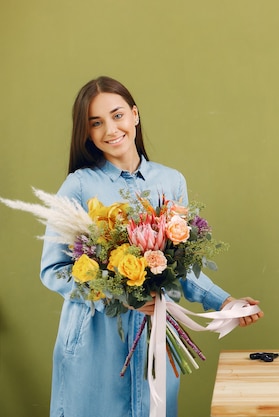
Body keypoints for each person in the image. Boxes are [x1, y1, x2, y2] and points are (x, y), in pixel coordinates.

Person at [40, 76, 263, 417]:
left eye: (117, 116)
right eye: (96, 123)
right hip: (95, 345)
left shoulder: (170, 181)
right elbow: (54, 270)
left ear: (134, 115)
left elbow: (181, 264)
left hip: (154, 338)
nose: (110, 130)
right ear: (86, 132)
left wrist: (225, 302)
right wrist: (118, 297)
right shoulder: (79, 186)